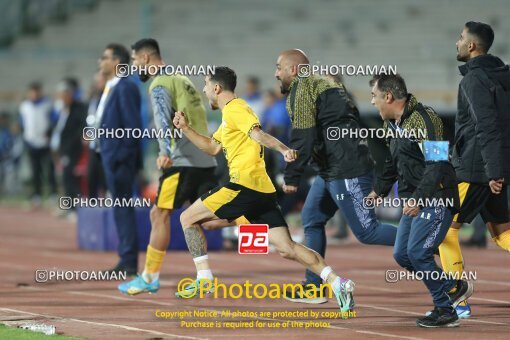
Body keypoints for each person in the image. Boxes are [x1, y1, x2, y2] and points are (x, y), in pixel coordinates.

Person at [172, 66, 356, 316]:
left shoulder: (237, 108)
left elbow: (257, 134)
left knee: (186, 218)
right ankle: (337, 283)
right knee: (286, 248)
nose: (204, 90)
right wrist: (185, 128)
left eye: (205, 85)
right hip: (261, 191)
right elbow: (211, 148)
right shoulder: (228, 117)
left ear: (216, 88)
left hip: (242, 185)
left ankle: (204, 277)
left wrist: (282, 149)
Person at [275, 49, 397, 303]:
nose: (276, 74)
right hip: (334, 166)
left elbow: (304, 135)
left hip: (345, 168)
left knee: (367, 232)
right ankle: (313, 287)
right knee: (311, 218)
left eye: (279, 68)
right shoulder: (328, 83)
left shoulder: (303, 87)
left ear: (294, 70)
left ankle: (427, 239)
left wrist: (292, 175)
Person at [369, 74, 472, 328]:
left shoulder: (426, 119)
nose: (372, 102)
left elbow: (437, 164)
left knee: (418, 252)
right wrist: (379, 191)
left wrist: (419, 198)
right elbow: (393, 162)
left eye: (374, 96)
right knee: (402, 254)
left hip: (436, 197)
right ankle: (453, 287)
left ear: (388, 97)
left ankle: (445, 310)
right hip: (415, 200)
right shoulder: (391, 125)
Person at [118, 38, 218, 295]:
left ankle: (150, 277)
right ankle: (265, 226)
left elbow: (164, 122)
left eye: (133, 59)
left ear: (146, 58)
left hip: (182, 160)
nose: (133, 65)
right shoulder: (181, 78)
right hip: (204, 157)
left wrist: (164, 152)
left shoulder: (160, 84)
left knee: (159, 214)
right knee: (209, 218)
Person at [439, 21, 510, 318]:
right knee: (503, 234)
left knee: (444, 232)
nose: (456, 42)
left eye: (459, 38)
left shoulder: (474, 80)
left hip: (475, 170)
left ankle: (458, 299)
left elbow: (486, 126)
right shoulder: (503, 75)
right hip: (494, 165)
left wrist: (493, 172)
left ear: (471, 46)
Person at [96, 43, 143, 276]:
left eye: (104, 57)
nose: (100, 62)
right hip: (108, 156)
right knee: (119, 208)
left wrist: (119, 156)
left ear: (116, 62)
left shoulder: (125, 87)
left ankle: (129, 261)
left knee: (123, 208)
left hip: (118, 160)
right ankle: (125, 257)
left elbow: (133, 127)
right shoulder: (111, 86)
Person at [52, 78, 87, 212]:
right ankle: (67, 205)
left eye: (64, 95)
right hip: (61, 148)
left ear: (69, 94)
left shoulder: (78, 109)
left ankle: (73, 207)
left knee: (70, 177)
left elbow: (79, 129)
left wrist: (73, 143)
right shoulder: (62, 109)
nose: (62, 98)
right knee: (64, 177)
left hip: (72, 149)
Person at [19, 82, 57, 207]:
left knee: (49, 170)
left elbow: (54, 120)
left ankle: (53, 194)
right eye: (32, 92)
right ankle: (37, 195)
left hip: (45, 143)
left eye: (37, 92)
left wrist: (49, 133)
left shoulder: (47, 104)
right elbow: (23, 123)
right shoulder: (24, 106)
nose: (34, 94)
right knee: (35, 171)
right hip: (31, 143)